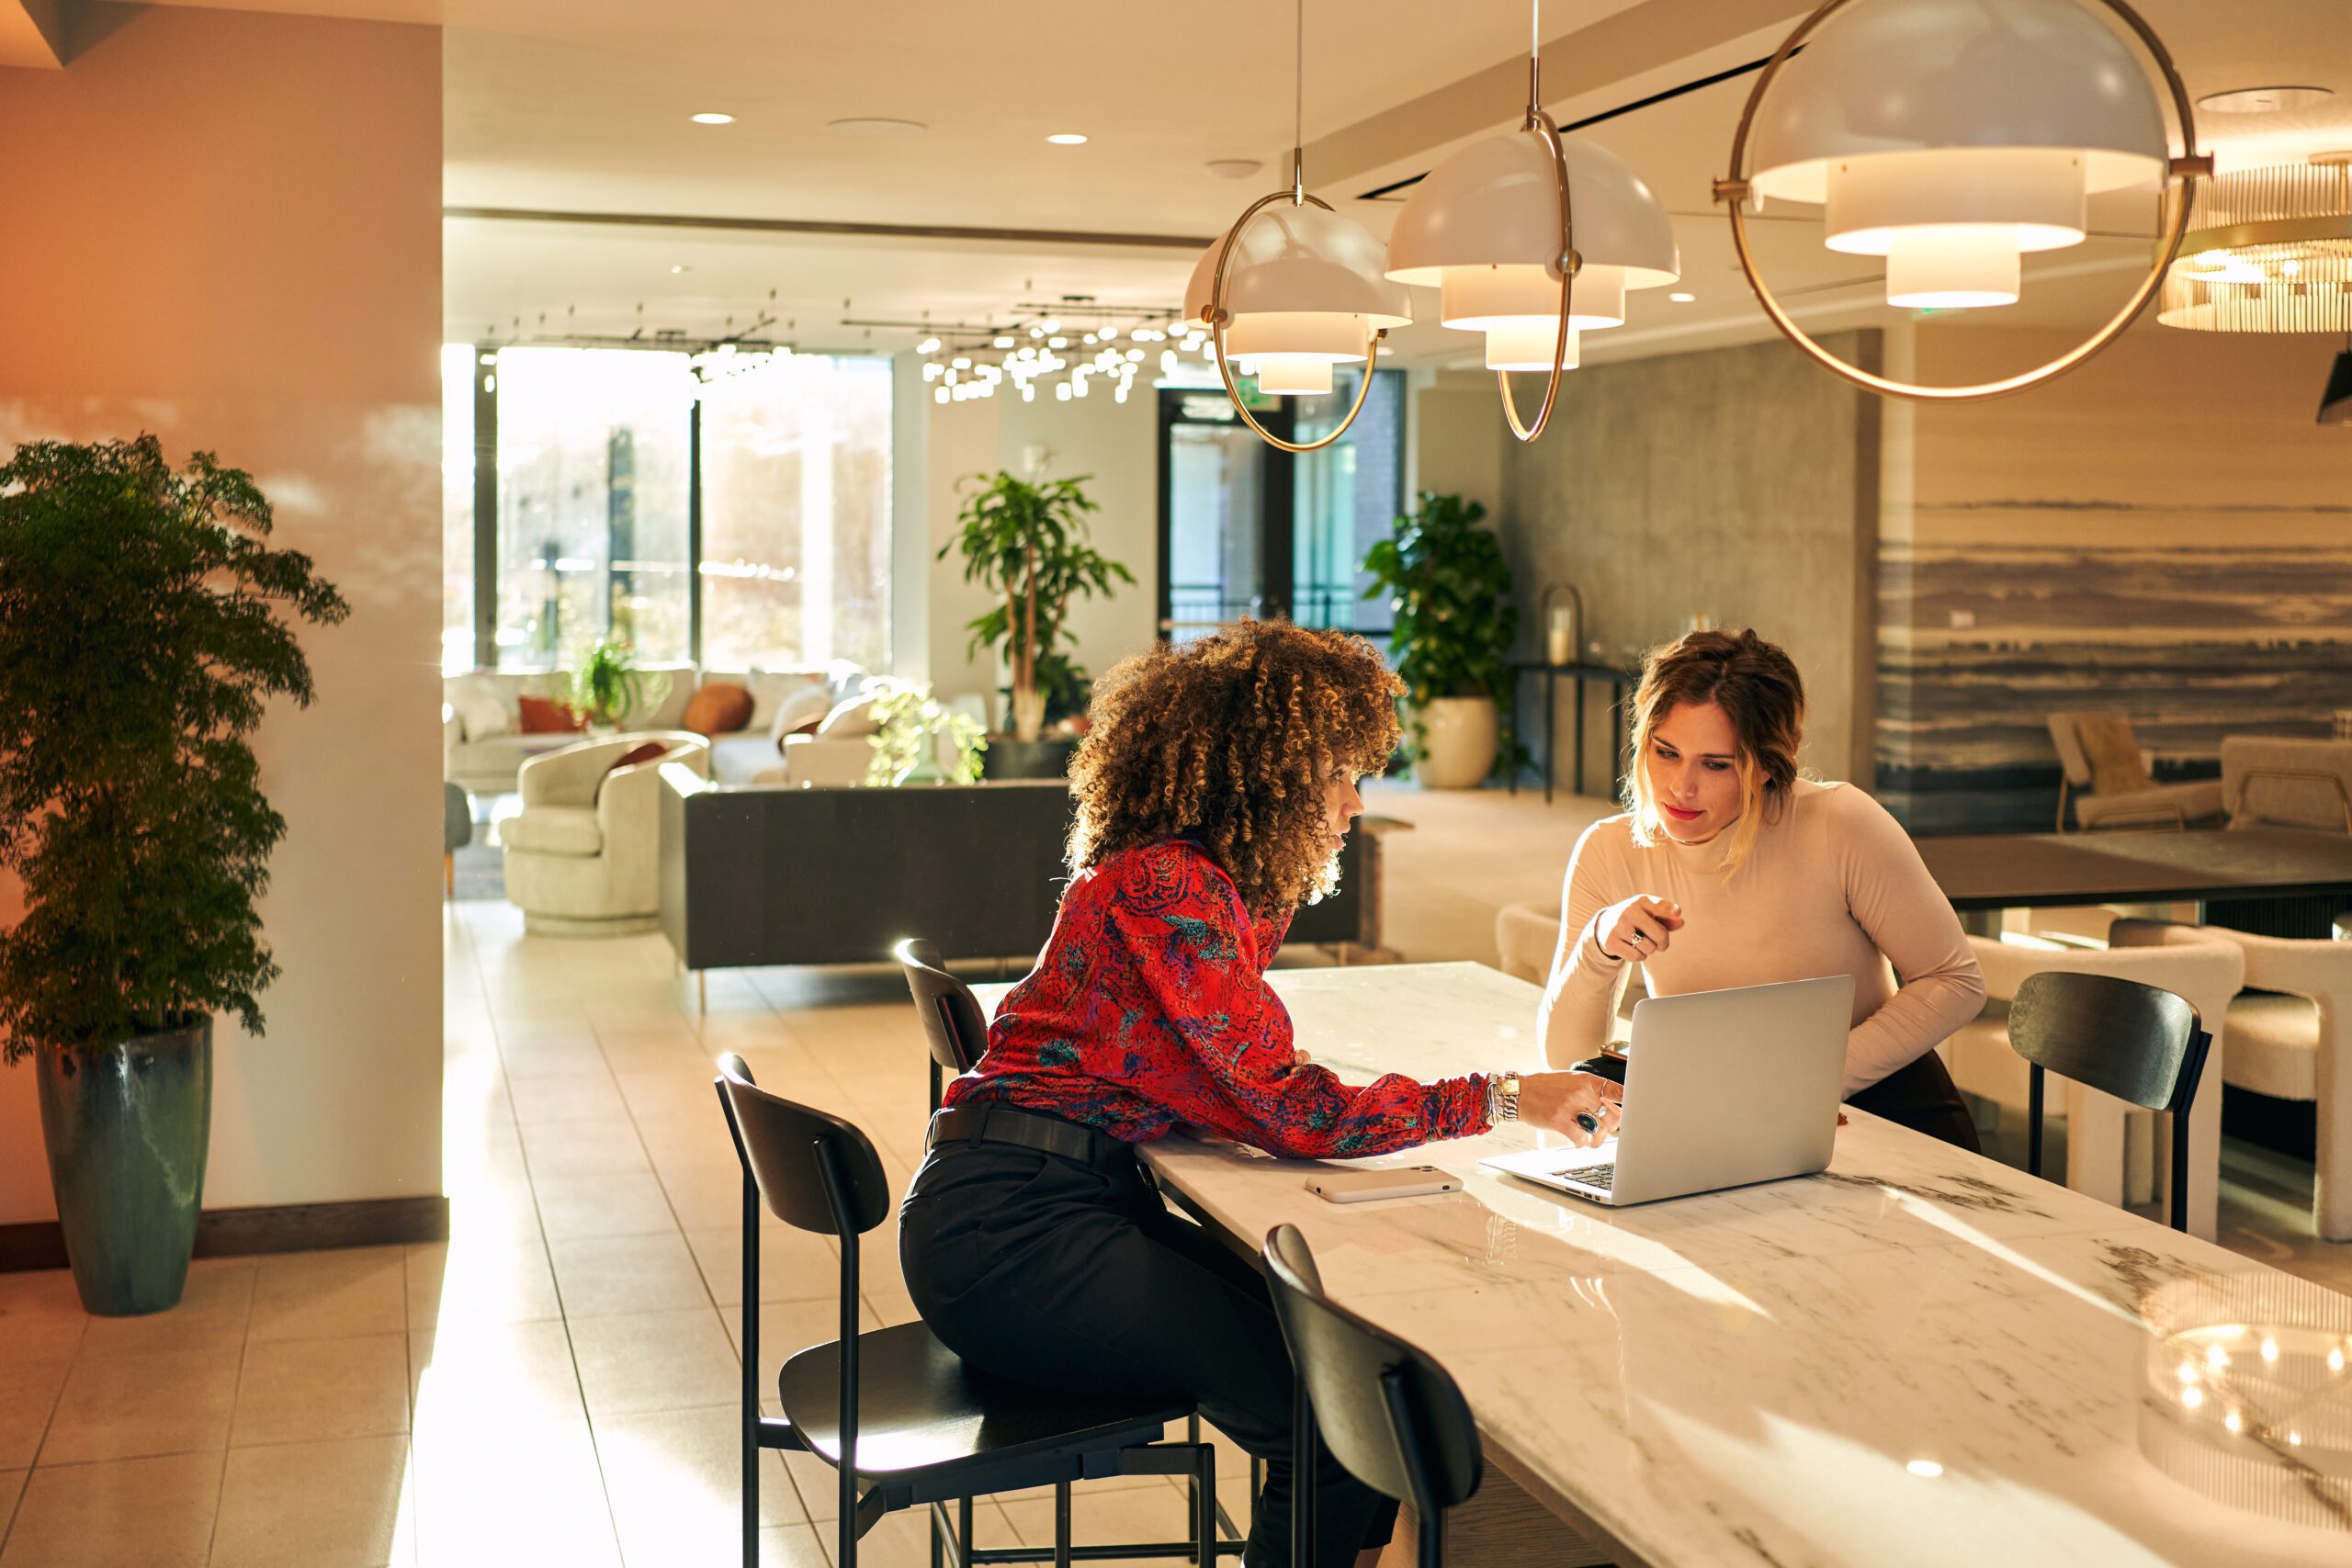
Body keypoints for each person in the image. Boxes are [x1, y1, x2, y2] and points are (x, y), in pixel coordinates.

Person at [899, 621, 1623, 1568]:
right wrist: (1505, 1097)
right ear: (1271, 775)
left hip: (1041, 1201)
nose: (1357, 806)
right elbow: (1295, 1112)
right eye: (1342, 776)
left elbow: (1236, 1061)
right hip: (1011, 1241)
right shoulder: (1169, 887)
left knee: (1356, 1379)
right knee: (1327, 1420)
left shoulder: (1185, 872)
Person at [1541, 627, 1987, 1149]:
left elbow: (1955, 980)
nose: (1681, 787)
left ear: (1767, 764)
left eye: (1716, 764)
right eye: (1666, 752)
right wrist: (1598, 948)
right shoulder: (1608, 849)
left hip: (1881, 1108)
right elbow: (1562, 1059)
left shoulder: (1839, 822)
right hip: (1724, 1116)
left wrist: (1811, 1083)